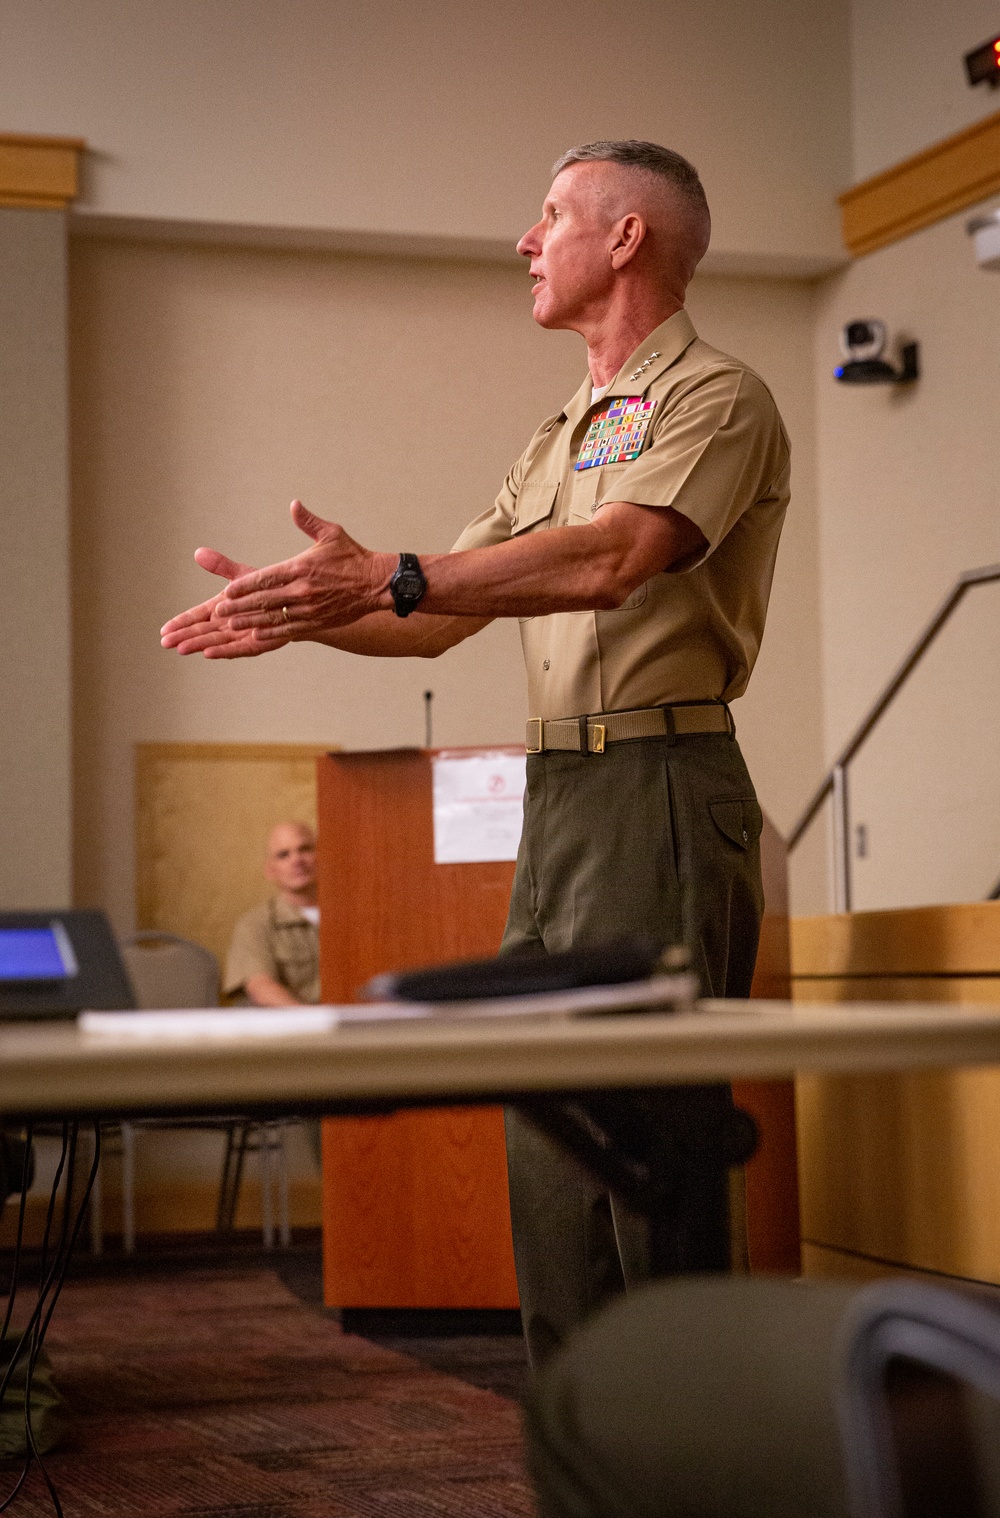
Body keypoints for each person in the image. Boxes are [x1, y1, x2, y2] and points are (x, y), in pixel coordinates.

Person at [161, 139, 790, 1366]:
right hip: (559, 792)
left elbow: (611, 559)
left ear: (624, 240)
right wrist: (302, 610)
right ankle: (582, 1436)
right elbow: (443, 612)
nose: (525, 237)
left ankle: (698, 1442)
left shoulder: (717, 395)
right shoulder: (556, 432)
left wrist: (392, 572)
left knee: (649, 1131)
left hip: (658, 786)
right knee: (548, 1131)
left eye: (551, 212)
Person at [225, 822, 321, 1006]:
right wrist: (313, 1023)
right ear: (270, 870)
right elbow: (260, 987)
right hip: (297, 1029)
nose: (297, 860)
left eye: (305, 849)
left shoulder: (353, 916)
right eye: (283, 855)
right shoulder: (255, 924)